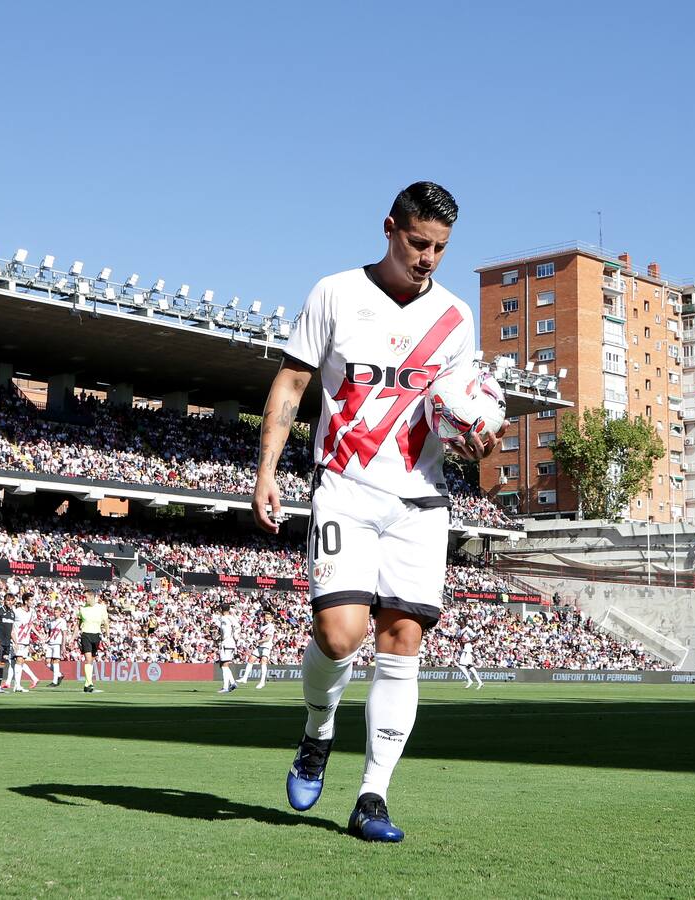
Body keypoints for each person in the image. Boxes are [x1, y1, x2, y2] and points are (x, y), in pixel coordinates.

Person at [251, 182, 500, 842]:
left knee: (401, 643)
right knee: (339, 636)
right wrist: (267, 470)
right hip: (345, 487)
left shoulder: (454, 317)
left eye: (440, 248)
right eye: (418, 243)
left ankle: (372, 797)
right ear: (389, 228)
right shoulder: (335, 293)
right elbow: (293, 382)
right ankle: (317, 732)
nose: (428, 258)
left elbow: (457, 404)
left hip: (420, 500)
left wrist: (474, 437)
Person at [77, 591, 108, 694]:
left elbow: (106, 622)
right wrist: (73, 637)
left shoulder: (101, 608)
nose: (84, 599)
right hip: (86, 634)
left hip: (96, 635)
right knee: (88, 659)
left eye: (86, 597)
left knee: (91, 661)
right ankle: (90, 683)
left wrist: (107, 636)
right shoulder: (82, 608)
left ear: (91, 597)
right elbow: (78, 624)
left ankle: (87, 684)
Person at [239, 608, 276, 689]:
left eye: (269, 618)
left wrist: (258, 641)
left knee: (263, 662)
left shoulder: (271, 626)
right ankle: (245, 678)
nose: (267, 619)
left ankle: (262, 682)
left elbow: (268, 638)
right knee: (251, 659)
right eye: (266, 617)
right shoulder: (261, 625)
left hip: (266, 646)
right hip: (260, 646)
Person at [10, 592, 39, 693]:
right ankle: (17, 685)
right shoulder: (16, 611)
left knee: (21, 661)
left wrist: (39, 635)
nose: (32, 602)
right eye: (31, 600)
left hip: (26, 640)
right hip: (17, 640)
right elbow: (11, 626)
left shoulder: (32, 612)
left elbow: (30, 625)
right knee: (19, 660)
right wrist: (14, 641)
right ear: (26, 601)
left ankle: (17, 685)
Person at [215, 600, 240, 694]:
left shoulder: (223, 619)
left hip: (226, 642)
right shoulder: (232, 618)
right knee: (223, 664)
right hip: (231, 642)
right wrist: (235, 637)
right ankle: (233, 683)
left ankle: (226, 687)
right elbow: (238, 627)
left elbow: (224, 630)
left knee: (224, 665)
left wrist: (222, 638)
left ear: (222, 609)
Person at [44, 605, 68, 687]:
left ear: (60, 612)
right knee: (47, 662)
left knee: (55, 661)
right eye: (54, 612)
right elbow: (49, 632)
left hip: (57, 643)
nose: (55, 613)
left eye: (57, 612)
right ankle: (59, 674)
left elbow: (64, 633)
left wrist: (63, 645)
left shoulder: (62, 621)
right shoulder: (51, 621)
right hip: (50, 643)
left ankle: (54, 681)